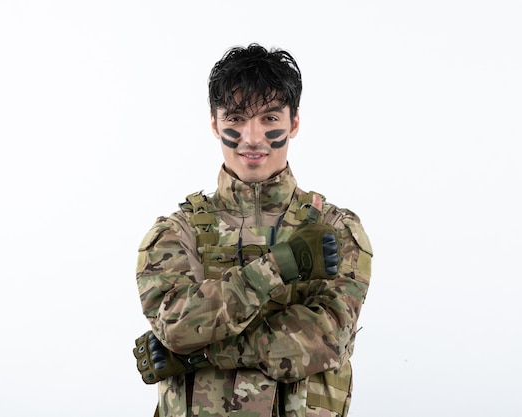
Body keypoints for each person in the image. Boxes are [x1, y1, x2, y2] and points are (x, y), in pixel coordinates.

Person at [133, 43, 373, 417]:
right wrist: (276, 268)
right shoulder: (175, 233)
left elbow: (326, 338)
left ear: (294, 122)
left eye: (269, 119)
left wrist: (204, 353)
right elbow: (178, 327)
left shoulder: (336, 229)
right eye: (236, 119)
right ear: (214, 124)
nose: (253, 137)